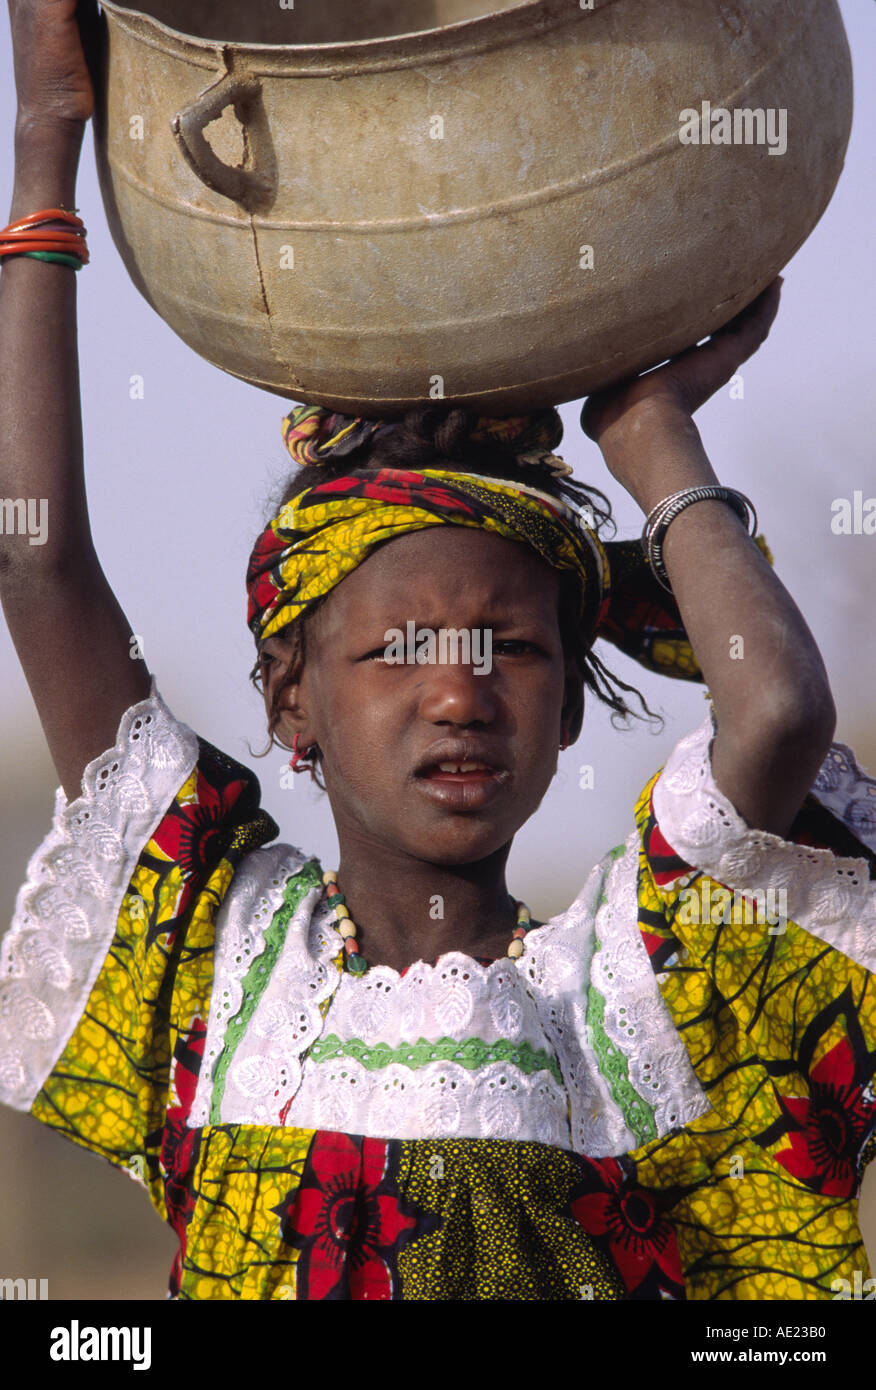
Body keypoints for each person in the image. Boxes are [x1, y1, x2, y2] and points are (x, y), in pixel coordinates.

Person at [1, 0, 875, 1301]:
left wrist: (651, 443)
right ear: (290, 697)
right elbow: (36, 558)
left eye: (513, 645)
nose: (459, 687)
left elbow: (779, 713)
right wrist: (43, 140)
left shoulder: (624, 1002)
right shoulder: (216, 961)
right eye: (400, 647)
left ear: (572, 706)